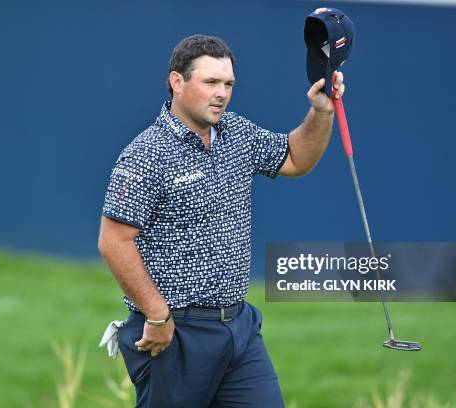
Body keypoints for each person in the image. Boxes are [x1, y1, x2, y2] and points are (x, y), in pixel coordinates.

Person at [98, 34, 345, 408]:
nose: (222, 93)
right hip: (177, 334)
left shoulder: (237, 134)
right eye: (210, 82)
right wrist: (158, 315)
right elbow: (113, 241)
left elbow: (296, 158)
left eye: (228, 84)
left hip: (239, 329)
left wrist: (322, 110)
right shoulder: (145, 155)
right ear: (177, 82)